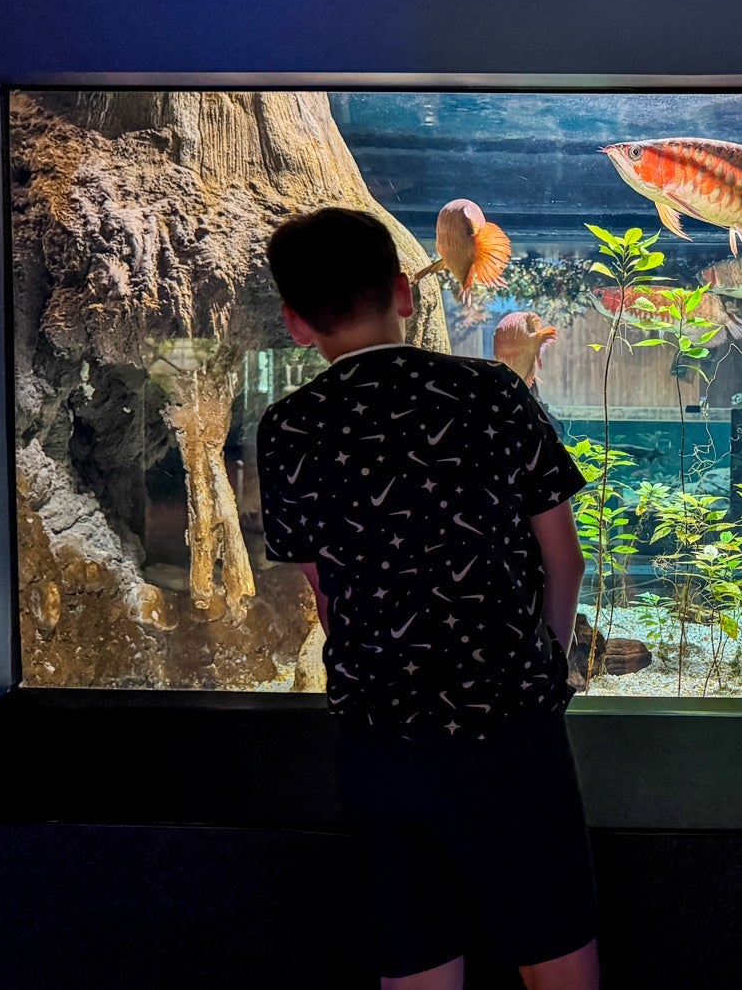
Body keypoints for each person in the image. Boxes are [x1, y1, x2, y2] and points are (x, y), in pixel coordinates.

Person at [255, 207, 599, 990]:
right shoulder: (492, 392)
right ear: (405, 293)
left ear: (295, 322)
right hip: (511, 726)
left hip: (382, 737)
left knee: (416, 967)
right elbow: (566, 559)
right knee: (558, 960)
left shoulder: (288, 428)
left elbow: (326, 596)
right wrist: (544, 668)